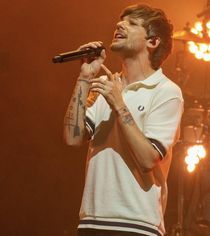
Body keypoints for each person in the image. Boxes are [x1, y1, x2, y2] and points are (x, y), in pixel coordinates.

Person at [63, 4, 183, 236]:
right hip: (91, 221)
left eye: (132, 23)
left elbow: (148, 159)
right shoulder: (108, 86)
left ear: (153, 41)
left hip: (136, 224)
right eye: (121, 21)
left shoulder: (166, 91)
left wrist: (119, 104)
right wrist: (85, 77)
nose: (119, 24)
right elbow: (72, 138)